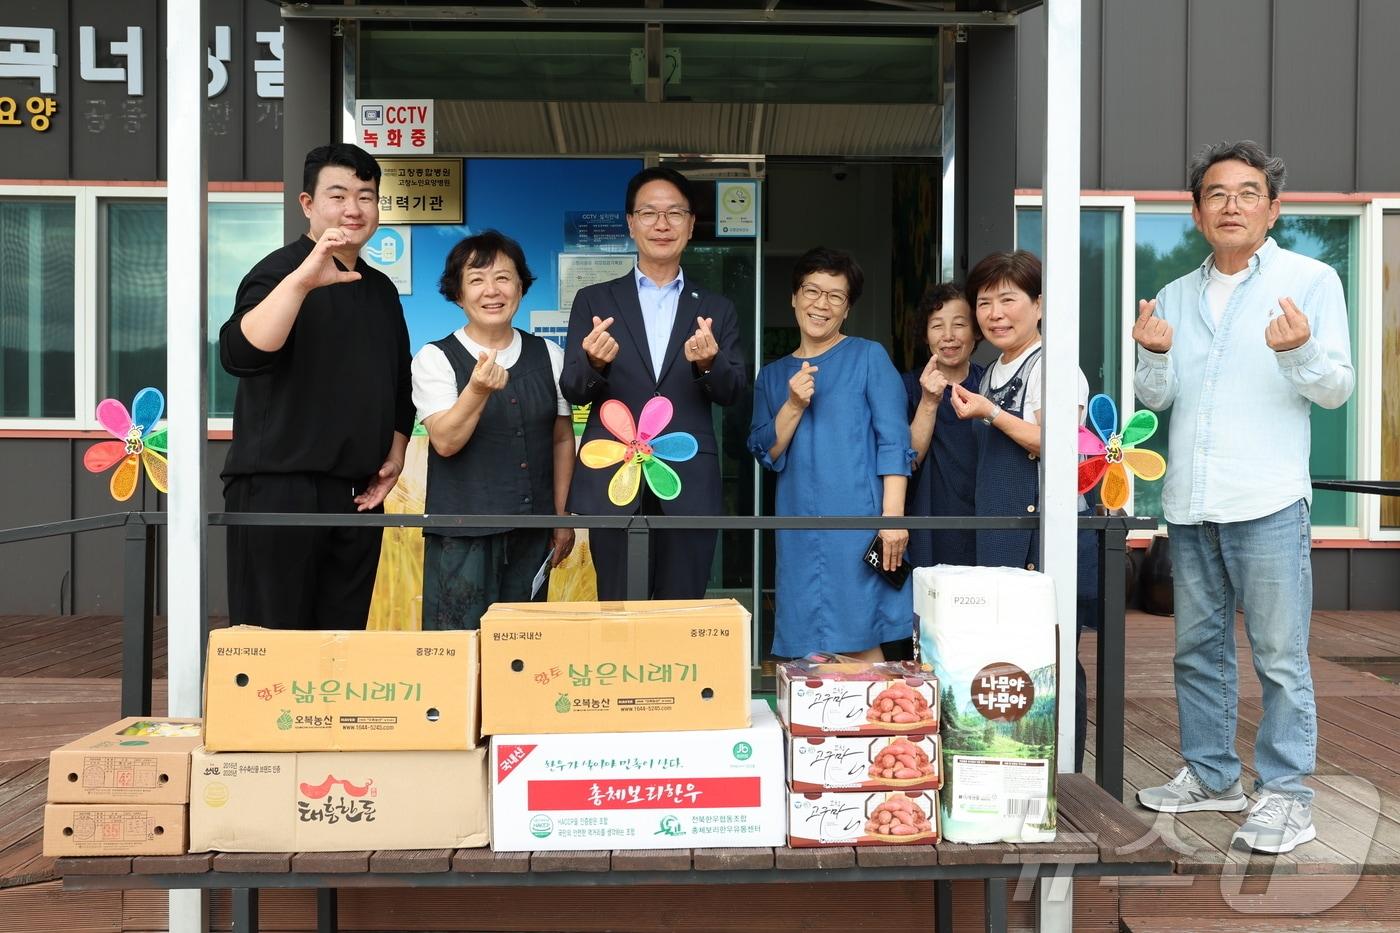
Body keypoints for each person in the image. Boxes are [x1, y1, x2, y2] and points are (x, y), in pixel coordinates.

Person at [1132, 141, 1354, 854]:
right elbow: (1156, 400)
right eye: (1217, 194)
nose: (1232, 205)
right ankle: (1212, 776)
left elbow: (1335, 388)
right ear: (1197, 213)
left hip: (1267, 500)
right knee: (1197, 651)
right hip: (1192, 503)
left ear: (1273, 208)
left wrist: (1298, 350)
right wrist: (1152, 354)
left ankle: (1287, 794)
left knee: (1280, 656)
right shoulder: (1174, 294)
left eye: (1248, 193)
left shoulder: (1311, 280)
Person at [219, 143, 412, 630]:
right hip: (278, 491)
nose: (353, 209)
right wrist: (302, 282)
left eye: (366, 197)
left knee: (340, 642)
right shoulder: (278, 271)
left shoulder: (380, 289)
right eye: (338, 195)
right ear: (307, 204)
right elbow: (241, 354)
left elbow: (399, 386)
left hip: (357, 497)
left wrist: (394, 458)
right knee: (272, 639)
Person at [561, 167, 746, 600]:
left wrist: (709, 364)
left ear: (690, 225)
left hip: (688, 478)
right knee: (619, 607)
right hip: (614, 477)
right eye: (649, 213)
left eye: (674, 213)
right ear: (631, 223)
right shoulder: (594, 300)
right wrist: (593, 362)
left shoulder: (716, 307)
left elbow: (733, 392)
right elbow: (574, 389)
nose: (662, 224)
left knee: (680, 610)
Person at [947, 250, 1097, 769]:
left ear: (1039, 305)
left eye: (1008, 300)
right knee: (1009, 656)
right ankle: (1014, 766)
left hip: (1044, 534)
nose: (995, 314)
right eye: (984, 302)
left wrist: (990, 412)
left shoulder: (1053, 365)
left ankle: (1066, 772)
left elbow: (1057, 443)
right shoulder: (995, 369)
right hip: (1004, 533)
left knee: (1052, 656)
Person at [748, 247, 913, 661]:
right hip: (798, 528)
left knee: (861, 639)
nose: (821, 304)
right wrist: (793, 405)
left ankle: (868, 708)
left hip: (858, 524)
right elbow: (766, 452)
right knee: (809, 649)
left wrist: (892, 521)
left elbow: (894, 442)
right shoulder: (772, 376)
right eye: (812, 291)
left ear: (847, 309)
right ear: (794, 297)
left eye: (835, 296)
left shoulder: (868, 356)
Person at [411, 231, 575, 630]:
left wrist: (561, 517)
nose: (492, 291)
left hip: (532, 533)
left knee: (524, 644)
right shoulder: (435, 357)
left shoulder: (550, 355)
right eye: (476, 279)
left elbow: (561, 438)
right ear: (458, 293)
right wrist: (477, 390)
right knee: (457, 644)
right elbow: (446, 442)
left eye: (503, 278)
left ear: (520, 286)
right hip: (462, 538)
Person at [903, 283, 984, 569]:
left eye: (959, 324)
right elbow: (908, 459)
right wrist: (929, 401)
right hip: (928, 519)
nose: (948, 335)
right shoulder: (907, 387)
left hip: (984, 520)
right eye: (937, 326)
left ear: (976, 331)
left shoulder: (992, 383)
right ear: (925, 335)